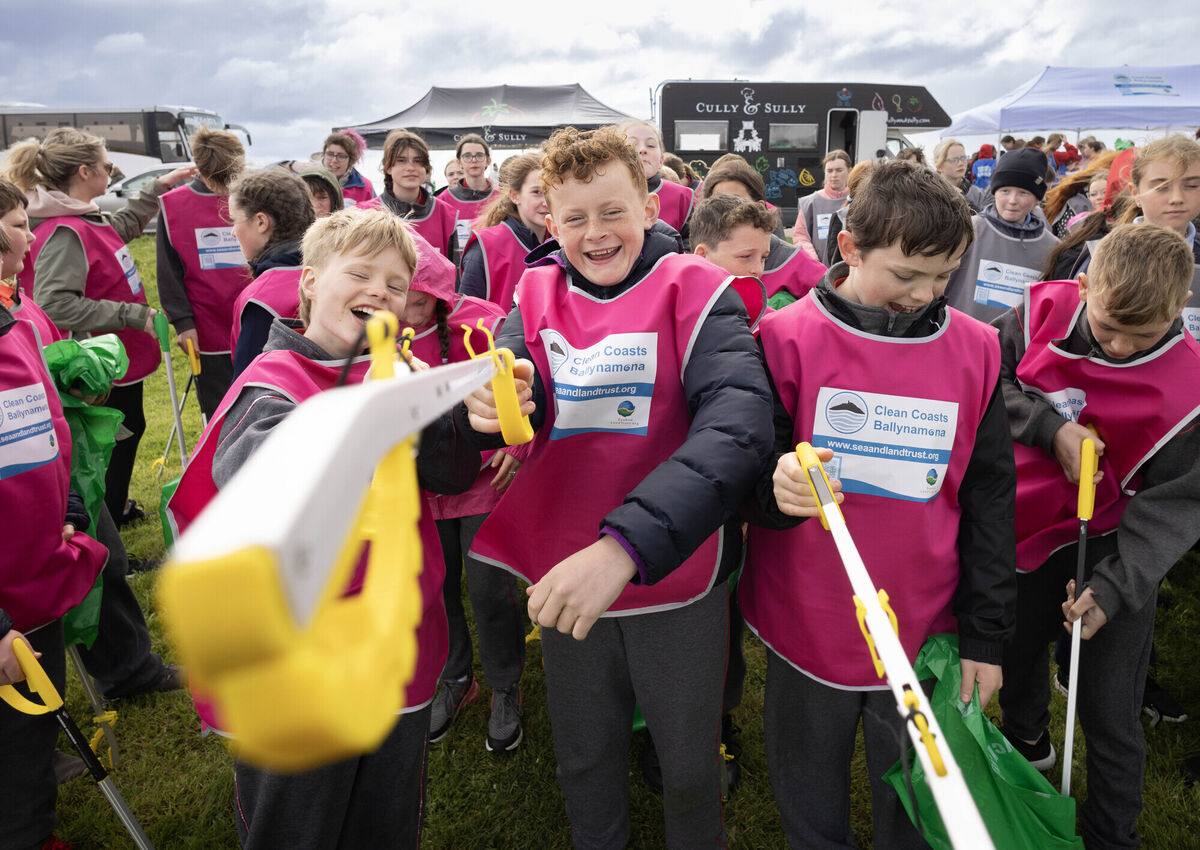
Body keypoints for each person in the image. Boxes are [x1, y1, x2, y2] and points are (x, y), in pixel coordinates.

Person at [458, 125, 773, 848]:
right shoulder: (532, 292)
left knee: (689, 766)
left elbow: (737, 429)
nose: (595, 234)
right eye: (574, 218)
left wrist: (625, 545)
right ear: (548, 220)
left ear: (652, 206)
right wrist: (487, 407)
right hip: (566, 577)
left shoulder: (698, 289)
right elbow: (504, 383)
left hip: (673, 575)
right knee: (586, 755)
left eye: (612, 212)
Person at [166, 207, 479, 849]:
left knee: (386, 823)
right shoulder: (270, 385)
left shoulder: (391, 374)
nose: (379, 293)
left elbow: (447, 474)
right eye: (358, 274)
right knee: (298, 826)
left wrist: (476, 420)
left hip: (397, 651)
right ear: (309, 281)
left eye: (396, 286)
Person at [741, 160, 1016, 850]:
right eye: (905, 275)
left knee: (915, 795)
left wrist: (985, 635)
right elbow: (748, 471)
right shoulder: (783, 339)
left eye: (943, 275)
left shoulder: (977, 350)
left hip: (924, 621)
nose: (924, 294)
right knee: (808, 782)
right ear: (850, 249)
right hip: (809, 616)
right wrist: (775, 493)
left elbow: (988, 498)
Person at [995, 223, 1200, 849]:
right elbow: (981, 383)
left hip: (1115, 546)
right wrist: (1046, 427)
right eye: (1107, 327)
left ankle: (1113, 834)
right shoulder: (1037, 314)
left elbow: (1174, 507)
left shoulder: (1191, 387)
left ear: (1179, 311)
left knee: (1110, 707)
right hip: (1021, 528)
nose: (1116, 348)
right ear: (1083, 285)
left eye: (1142, 336)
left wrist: (1113, 590)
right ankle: (1027, 750)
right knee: (1013, 652)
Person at [4, 127, 195, 525]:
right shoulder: (63, 230)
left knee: (130, 427)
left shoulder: (81, 216)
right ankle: (105, 521)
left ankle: (115, 509)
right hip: (98, 362)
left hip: (119, 354)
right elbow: (56, 304)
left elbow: (113, 232)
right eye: (107, 165)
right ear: (84, 172)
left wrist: (155, 189)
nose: (111, 171)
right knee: (113, 441)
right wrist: (131, 315)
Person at [1, 175, 109, 848]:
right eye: (17, 223)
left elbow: (48, 427)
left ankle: (31, 798)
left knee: (34, 712)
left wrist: (64, 506)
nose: (31, 237)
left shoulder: (15, 321)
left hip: (36, 567)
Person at [398, 234, 531, 753]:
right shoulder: (372, 334)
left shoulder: (484, 321)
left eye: (415, 296)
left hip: (481, 487)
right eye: (394, 294)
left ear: (436, 291)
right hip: (418, 490)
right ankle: (455, 678)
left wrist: (517, 449)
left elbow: (526, 382)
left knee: (489, 590)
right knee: (435, 587)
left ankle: (505, 683)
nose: (406, 309)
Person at [1066, 136, 1200, 340]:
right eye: (1161, 187)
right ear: (1135, 192)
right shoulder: (1102, 255)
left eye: (1191, 186)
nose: (1177, 198)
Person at [156, 127, 248, 419]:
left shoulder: (252, 196)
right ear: (200, 170)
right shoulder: (172, 207)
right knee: (220, 412)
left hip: (254, 321)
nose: (224, 190)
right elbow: (167, 271)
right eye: (218, 181)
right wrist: (183, 323)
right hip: (208, 331)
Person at [944, 146, 1058, 323]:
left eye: (1023, 193)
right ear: (994, 191)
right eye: (1005, 191)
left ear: (1038, 198)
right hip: (960, 337)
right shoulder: (968, 230)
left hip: (1015, 347)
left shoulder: (1052, 247)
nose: (1012, 200)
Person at [227, 168, 316, 376]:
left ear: (261, 222)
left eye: (234, 220)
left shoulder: (261, 299)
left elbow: (248, 382)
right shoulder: (335, 271)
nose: (233, 232)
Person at [698, 159, 823, 303]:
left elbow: (836, 298)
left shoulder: (790, 260)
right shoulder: (700, 255)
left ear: (760, 206)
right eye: (718, 202)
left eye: (737, 202)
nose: (726, 211)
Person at [458, 153, 547, 313]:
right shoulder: (484, 245)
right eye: (537, 192)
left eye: (550, 191)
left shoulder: (563, 242)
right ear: (515, 196)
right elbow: (467, 315)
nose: (546, 201)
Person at [359, 129, 458, 261]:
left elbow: (455, 273)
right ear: (388, 167)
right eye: (401, 160)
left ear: (426, 168)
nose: (411, 167)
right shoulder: (364, 214)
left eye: (417, 161)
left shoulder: (446, 215)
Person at [620, 120, 694, 234]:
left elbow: (691, 246)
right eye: (632, 145)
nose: (642, 150)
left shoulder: (683, 198)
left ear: (661, 161)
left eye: (650, 145)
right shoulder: (603, 195)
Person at [439, 134, 500, 253]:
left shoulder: (501, 198)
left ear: (488, 161)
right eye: (467, 156)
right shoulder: (444, 200)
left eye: (479, 155)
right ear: (459, 162)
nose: (474, 160)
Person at [1042, 150, 1118, 238]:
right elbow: (1066, 243)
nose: (1099, 197)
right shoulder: (1076, 209)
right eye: (1093, 194)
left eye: (1104, 192)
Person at [793, 150, 851, 263]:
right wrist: (814, 261)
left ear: (849, 171)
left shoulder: (857, 200)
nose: (834, 175)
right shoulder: (810, 202)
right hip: (819, 270)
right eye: (830, 171)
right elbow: (800, 236)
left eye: (839, 170)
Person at [318, 131, 375, 207]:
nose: (334, 160)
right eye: (330, 154)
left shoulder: (365, 187)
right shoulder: (310, 181)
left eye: (341, 156)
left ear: (351, 161)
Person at [933, 138, 987, 213]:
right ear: (939, 166)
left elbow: (986, 222)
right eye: (954, 160)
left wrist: (964, 201)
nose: (960, 163)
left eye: (963, 158)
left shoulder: (978, 194)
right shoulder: (930, 193)